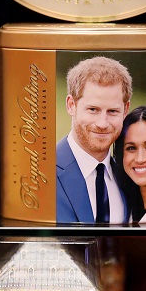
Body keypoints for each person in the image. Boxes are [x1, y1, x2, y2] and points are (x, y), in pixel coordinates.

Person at [57, 56, 131, 224]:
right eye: (93, 109)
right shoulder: (40, 174)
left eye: (112, 111)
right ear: (71, 105)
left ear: (125, 109)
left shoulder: (130, 178)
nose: (102, 124)